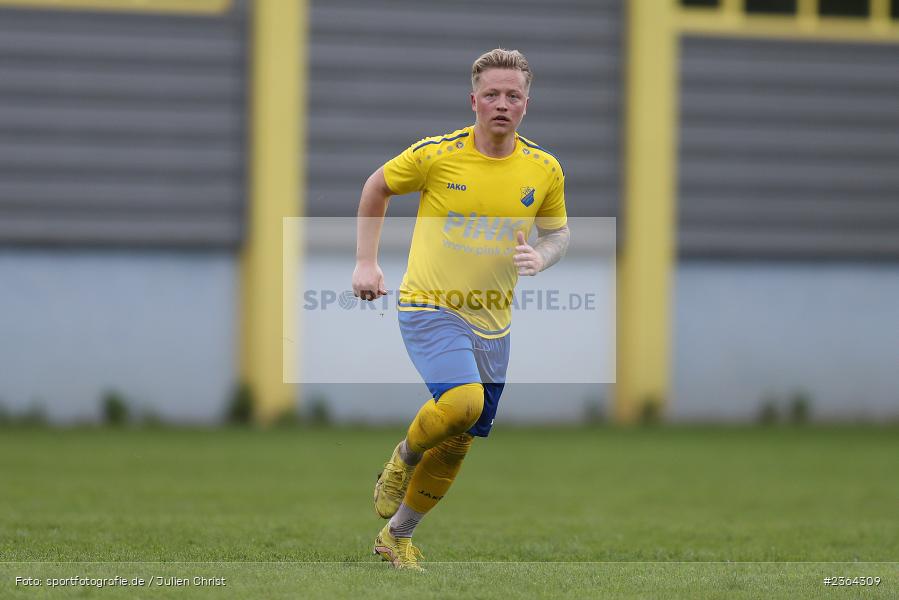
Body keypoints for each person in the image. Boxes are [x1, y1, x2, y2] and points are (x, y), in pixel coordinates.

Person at [352, 48, 570, 571]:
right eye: (491, 94)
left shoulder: (543, 168)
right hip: (429, 306)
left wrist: (540, 256)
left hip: (494, 323)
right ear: (473, 100)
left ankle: (396, 535)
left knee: (460, 440)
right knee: (463, 403)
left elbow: (558, 233)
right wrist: (366, 263)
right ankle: (402, 458)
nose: (501, 103)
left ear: (526, 104)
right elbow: (377, 186)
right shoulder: (436, 154)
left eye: (512, 95)